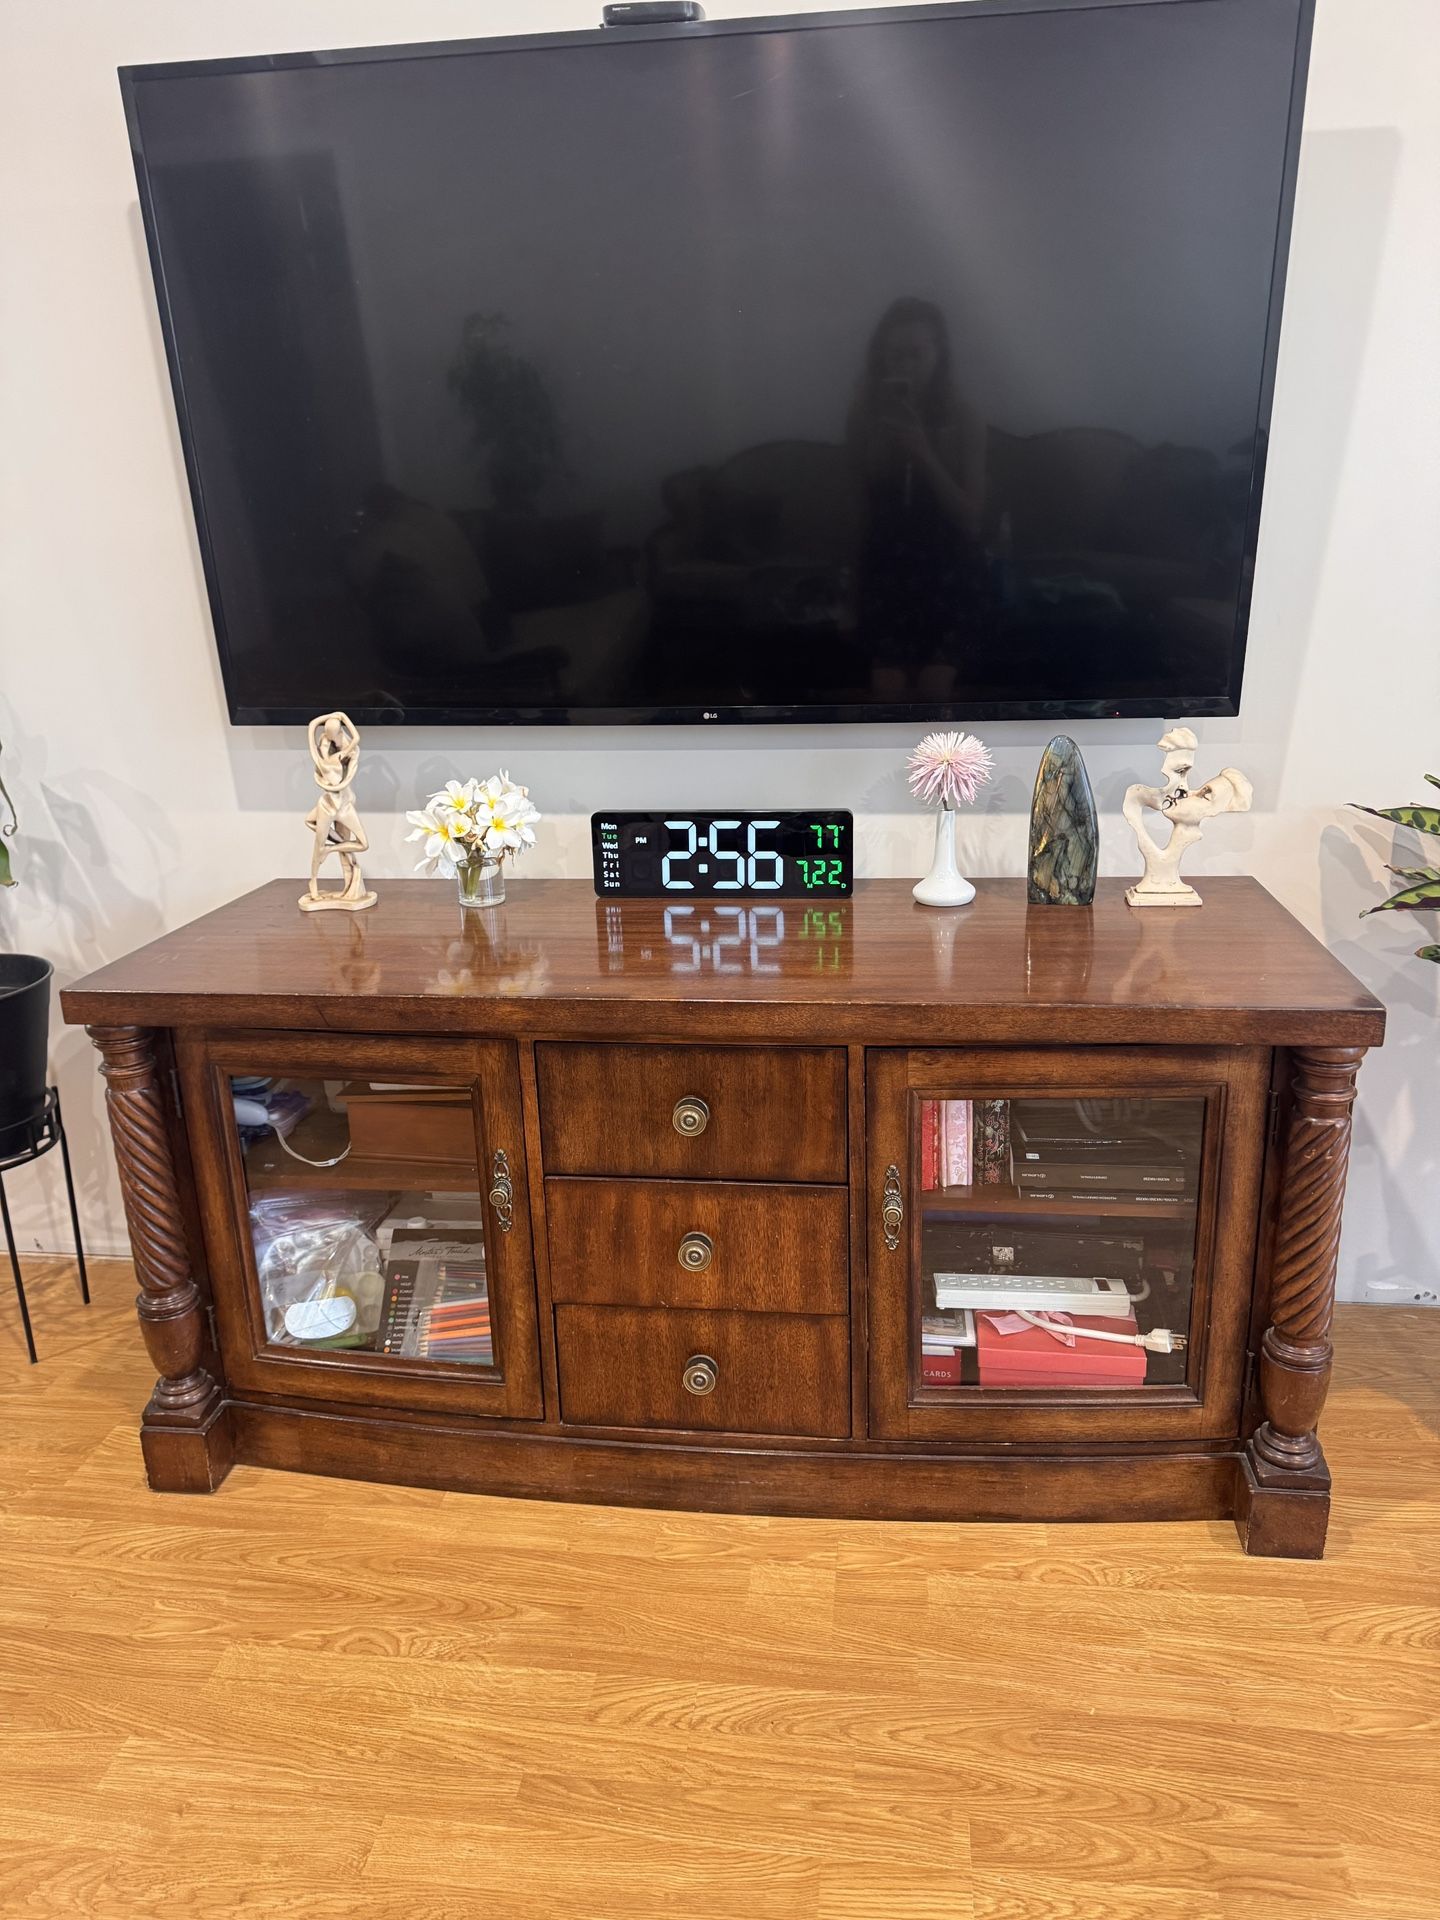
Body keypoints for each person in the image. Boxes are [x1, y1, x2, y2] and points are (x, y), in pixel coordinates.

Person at [847, 298, 988, 699]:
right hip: (886, 571)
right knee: (887, 684)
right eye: (895, 355)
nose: (906, 365)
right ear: (881, 358)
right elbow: (858, 511)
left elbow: (972, 519)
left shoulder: (964, 419)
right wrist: (849, 592)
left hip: (950, 571)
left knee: (936, 682)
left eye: (916, 354)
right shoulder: (863, 417)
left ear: (938, 355)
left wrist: (924, 451)